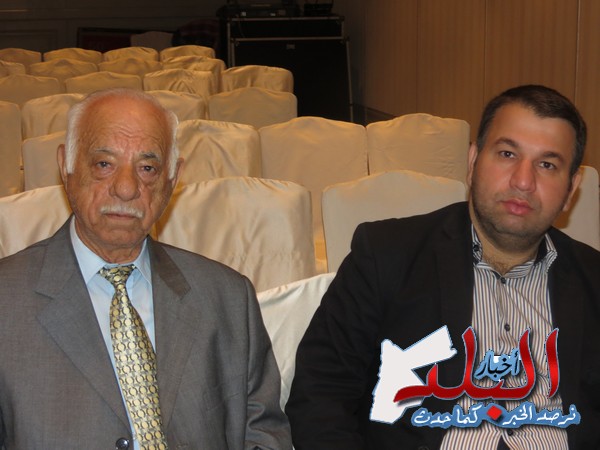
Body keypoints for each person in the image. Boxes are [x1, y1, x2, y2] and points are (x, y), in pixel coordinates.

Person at [285, 85, 600, 450]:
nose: (523, 181)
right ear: (472, 162)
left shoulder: (593, 280)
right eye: (507, 153)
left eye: (547, 165)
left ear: (571, 189)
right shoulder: (387, 255)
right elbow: (321, 393)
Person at [0, 88, 291, 449]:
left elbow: (264, 435)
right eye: (104, 164)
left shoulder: (228, 298)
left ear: (172, 178)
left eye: (147, 168)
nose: (126, 188)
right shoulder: (7, 301)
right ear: (66, 165)